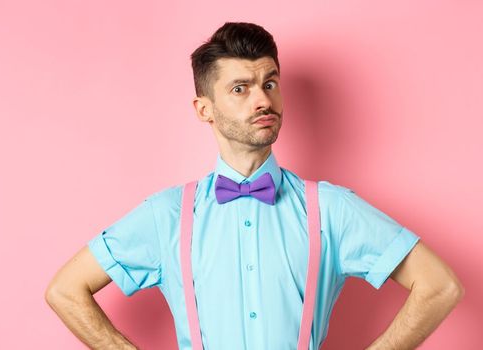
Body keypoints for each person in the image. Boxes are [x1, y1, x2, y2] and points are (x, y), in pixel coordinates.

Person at [44, 22, 464, 350]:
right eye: (240, 89)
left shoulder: (330, 209)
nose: (263, 100)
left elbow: (439, 285)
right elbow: (65, 290)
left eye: (270, 83)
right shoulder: (167, 215)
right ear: (204, 109)